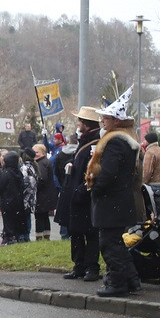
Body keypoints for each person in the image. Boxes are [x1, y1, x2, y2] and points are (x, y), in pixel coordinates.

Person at [85, 89, 141, 297]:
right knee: (116, 243)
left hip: (112, 202)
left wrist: (95, 187)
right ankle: (132, 280)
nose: (102, 122)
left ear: (116, 121)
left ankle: (118, 284)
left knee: (110, 244)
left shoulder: (115, 142)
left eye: (105, 118)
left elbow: (109, 173)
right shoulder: (125, 140)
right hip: (118, 201)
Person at [56, 107, 102, 281]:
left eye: (80, 121)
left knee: (90, 233)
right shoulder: (85, 141)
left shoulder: (95, 142)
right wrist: (71, 163)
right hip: (76, 193)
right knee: (75, 232)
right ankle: (79, 265)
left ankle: (92, 267)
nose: (77, 124)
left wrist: (82, 189)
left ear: (87, 124)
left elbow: (94, 169)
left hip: (85, 195)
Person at [0, 151, 27, 244]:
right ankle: (17, 237)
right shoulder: (18, 173)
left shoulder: (6, 174)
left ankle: (9, 238)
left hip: (7, 201)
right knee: (16, 220)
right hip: (17, 201)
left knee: (8, 221)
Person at [31, 143, 57, 240]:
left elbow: (41, 179)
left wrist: (34, 188)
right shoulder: (45, 162)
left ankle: (39, 237)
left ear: (43, 153)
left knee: (39, 216)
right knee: (44, 216)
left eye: (37, 152)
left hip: (42, 195)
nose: (35, 154)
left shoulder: (41, 163)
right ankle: (46, 236)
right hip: (47, 194)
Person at [141, 130, 160, 216]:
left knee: (153, 213)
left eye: (145, 140)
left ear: (148, 141)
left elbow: (147, 171)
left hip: (154, 186)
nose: (143, 141)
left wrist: (142, 183)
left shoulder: (150, 152)